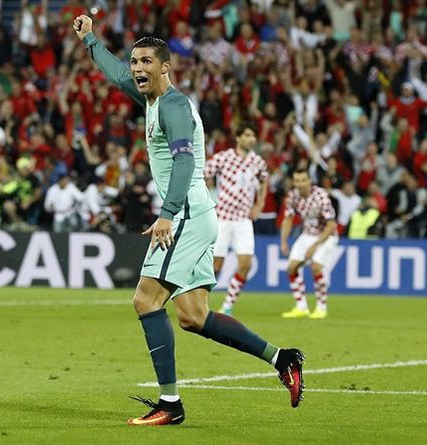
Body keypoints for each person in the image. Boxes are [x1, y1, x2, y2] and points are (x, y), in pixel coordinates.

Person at [74, 15, 304, 426]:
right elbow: (113, 73)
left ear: (166, 67)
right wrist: (90, 38)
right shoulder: (150, 100)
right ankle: (281, 358)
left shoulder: (175, 106)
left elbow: (184, 161)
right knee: (194, 316)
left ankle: (170, 404)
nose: (138, 68)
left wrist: (166, 214)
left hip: (186, 214)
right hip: (198, 212)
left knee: (145, 300)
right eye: (135, 61)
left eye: (146, 61)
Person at [204, 121, 268, 316]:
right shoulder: (224, 157)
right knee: (215, 266)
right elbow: (204, 173)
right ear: (238, 137)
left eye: (253, 136)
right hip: (222, 218)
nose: (251, 139)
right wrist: (207, 198)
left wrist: (260, 204)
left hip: (243, 220)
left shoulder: (257, 162)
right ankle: (199, 302)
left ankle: (228, 305)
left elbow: (264, 180)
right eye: (247, 135)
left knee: (246, 264)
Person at [280, 168, 338, 319]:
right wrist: (284, 241)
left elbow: (331, 224)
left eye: (303, 180)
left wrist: (315, 245)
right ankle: (301, 307)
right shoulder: (293, 196)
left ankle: (321, 307)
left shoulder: (320, 196)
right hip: (307, 234)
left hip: (327, 235)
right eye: (297, 181)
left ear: (309, 181)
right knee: (292, 268)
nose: (300, 184)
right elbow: (288, 219)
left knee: (316, 266)